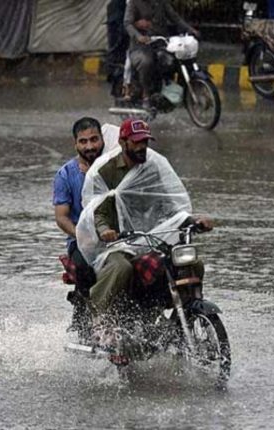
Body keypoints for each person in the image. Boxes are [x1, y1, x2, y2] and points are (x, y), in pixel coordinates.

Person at [76, 118, 212, 349]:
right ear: (122, 141)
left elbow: (167, 203)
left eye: (145, 142)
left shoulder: (153, 166)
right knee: (122, 267)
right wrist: (105, 230)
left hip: (150, 237)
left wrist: (192, 219)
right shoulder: (104, 170)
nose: (142, 147)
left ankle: (182, 314)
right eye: (136, 142)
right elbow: (96, 209)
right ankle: (100, 318)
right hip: (115, 243)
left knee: (190, 263)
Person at [52, 117, 106, 337]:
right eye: (83, 141)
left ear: (103, 139)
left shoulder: (112, 167)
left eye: (94, 139)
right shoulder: (65, 175)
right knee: (84, 267)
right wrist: (83, 235)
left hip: (116, 237)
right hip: (81, 242)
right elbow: (62, 217)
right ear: (75, 144)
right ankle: (86, 318)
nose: (90, 146)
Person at [123, 0, 200, 109]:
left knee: (177, 58)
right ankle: (146, 95)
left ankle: (175, 89)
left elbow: (175, 18)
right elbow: (127, 23)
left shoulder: (161, 2)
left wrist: (190, 29)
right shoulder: (134, 2)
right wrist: (139, 36)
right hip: (140, 46)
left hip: (161, 43)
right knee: (147, 61)